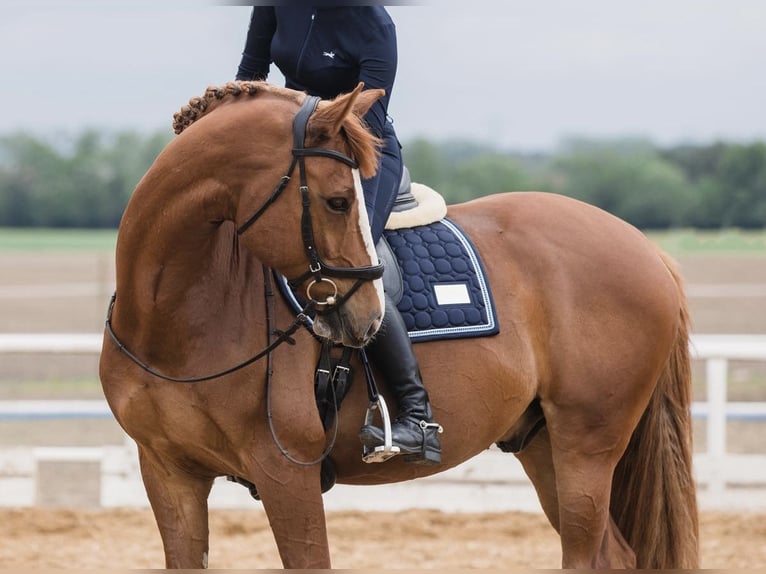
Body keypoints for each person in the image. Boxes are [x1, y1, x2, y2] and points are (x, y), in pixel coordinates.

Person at [237, 6, 442, 465]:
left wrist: (305, 129)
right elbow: (249, 77)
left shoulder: (374, 23)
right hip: (292, 149)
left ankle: (417, 416)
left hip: (357, 151)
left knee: (348, 261)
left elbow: (367, 116)